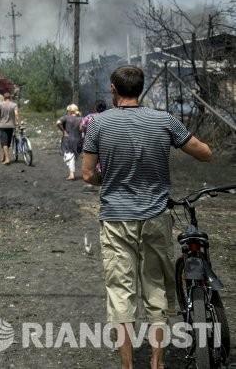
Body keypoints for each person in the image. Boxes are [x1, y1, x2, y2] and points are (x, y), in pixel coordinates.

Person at [82, 65, 212, 369]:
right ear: (140, 89)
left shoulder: (99, 124)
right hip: (155, 216)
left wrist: (111, 179)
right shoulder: (164, 120)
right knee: (155, 288)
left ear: (114, 89)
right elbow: (204, 153)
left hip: (115, 219)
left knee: (120, 293)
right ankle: (157, 362)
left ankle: (127, 366)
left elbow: (87, 173)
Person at [80, 99, 107, 176]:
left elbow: (81, 127)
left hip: (90, 142)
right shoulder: (108, 117)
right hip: (105, 141)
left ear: (95, 108)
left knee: (91, 161)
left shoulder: (89, 117)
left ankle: (93, 179)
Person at [56, 104, 83, 180]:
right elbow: (83, 128)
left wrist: (63, 131)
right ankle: (73, 173)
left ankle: (72, 174)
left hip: (68, 139)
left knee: (69, 156)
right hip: (78, 139)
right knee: (73, 156)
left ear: (69, 111)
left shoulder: (66, 117)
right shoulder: (81, 118)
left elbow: (58, 123)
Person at [0, 92, 19, 165]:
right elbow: (16, 114)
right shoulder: (14, 105)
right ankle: (3, 156)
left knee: (4, 142)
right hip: (11, 126)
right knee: (7, 142)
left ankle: (7, 159)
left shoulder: (0, 104)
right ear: (10, 98)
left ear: (4, 98)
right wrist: (18, 122)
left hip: (3, 125)